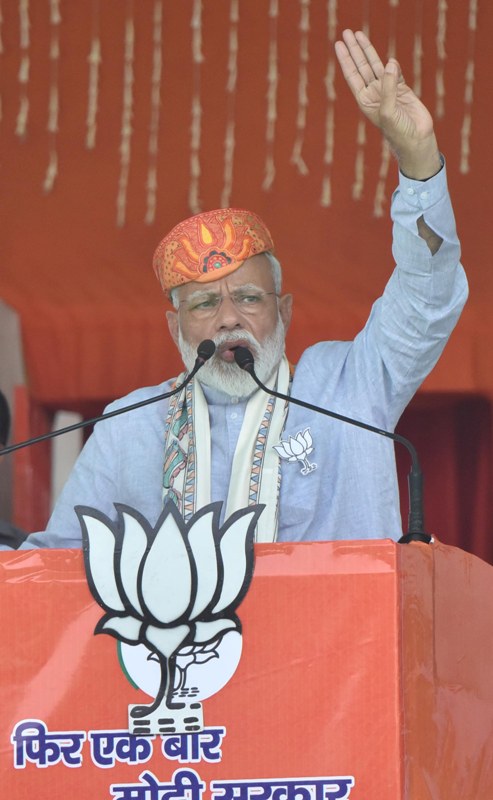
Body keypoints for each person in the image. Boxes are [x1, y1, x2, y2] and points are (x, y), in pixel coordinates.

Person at [8, 30, 467, 550]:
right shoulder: (130, 427)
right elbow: (51, 569)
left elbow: (428, 296)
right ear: (173, 325)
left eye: (248, 298)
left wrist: (419, 160)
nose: (229, 317)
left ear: (285, 311)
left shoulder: (351, 389)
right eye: (204, 303)